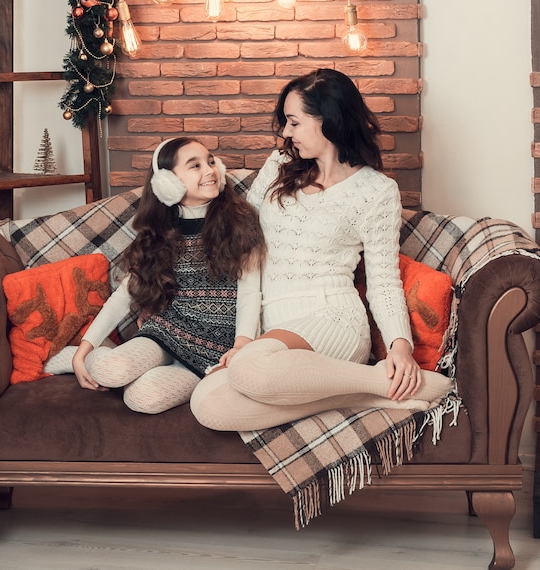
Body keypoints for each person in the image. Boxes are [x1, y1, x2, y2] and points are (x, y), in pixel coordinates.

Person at [190, 68, 454, 431]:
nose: (286, 132)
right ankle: (373, 391)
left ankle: (384, 376)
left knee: (250, 368)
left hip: (335, 320)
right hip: (274, 332)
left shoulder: (376, 191)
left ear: (326, 121)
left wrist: (399, 346)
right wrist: (244, 340)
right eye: (286, 122)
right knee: (208, 404)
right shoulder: (279, 167)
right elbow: (246, 255)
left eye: (294, 122)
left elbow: (383, 281)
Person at [44, 137, 265, 414]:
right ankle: (86, 358)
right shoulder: (160, 233)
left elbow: (249, 293)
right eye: (194, 166)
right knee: (110, 371)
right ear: (167, 183)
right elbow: (125, 294)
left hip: (213, 351)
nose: (210, 170)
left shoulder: (241, 223)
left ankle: (125, 366)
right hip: (166, 333)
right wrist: (84, 348)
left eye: (210, 161)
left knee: (141, 399)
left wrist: (242, 343)